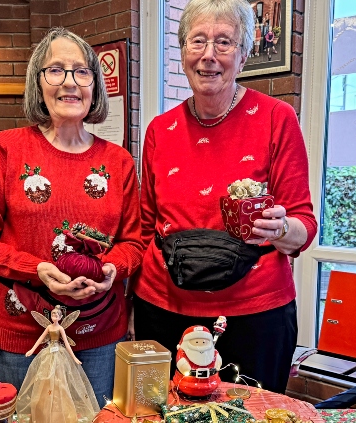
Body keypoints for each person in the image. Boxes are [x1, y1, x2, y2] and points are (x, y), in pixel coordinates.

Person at [130, 0, 317, 394]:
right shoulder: (159, 130)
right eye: (197, 41)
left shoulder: (275, 118)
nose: (209, 56)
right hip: (162, 309)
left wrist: (282, 228)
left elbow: (304, 224)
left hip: (255, 313)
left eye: (224, 42)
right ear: (182, 54)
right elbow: (146, 226)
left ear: (245, 54)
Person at [0, 27, 143, 406]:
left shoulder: (118, 161)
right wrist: (35, 268)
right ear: (37, 82)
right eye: (56, 70)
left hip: (99, 332)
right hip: (24, 334)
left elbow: (134, 243)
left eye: (81, 71)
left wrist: (111, 270)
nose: (69, 82)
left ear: (95, 84)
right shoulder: (6, 149)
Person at [17, 306, 98, 423]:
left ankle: (60, 414)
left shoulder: (60, 329)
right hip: (48, 353)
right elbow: (41, 338)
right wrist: (32, 350)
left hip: (59, 354)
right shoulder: (49, 327)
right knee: (45, 380)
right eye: (53, 315)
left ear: (60, 317)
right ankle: (45, 413)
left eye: (57, 315)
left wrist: (74, 358)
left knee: (61, 381)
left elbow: (67, 344)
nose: (54, 317)